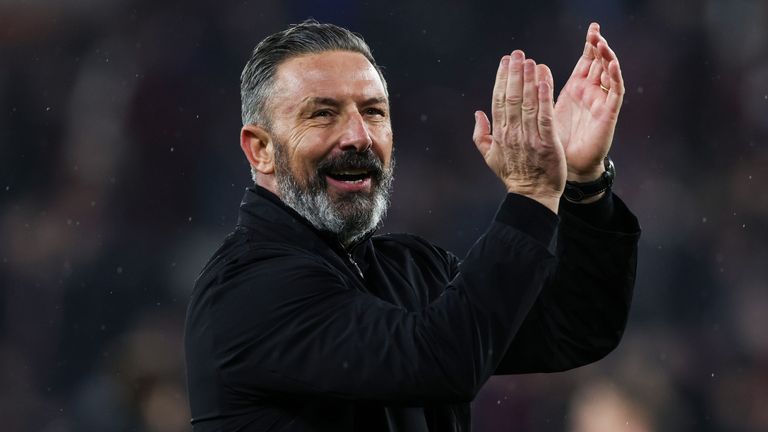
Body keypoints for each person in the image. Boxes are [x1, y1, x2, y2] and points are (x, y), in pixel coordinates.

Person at [184, 20, 640, 431]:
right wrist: (531, 196)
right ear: (260, 149)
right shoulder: (247, 289)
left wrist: (584, 186)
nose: (359, 136)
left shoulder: (410, 268)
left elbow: (575, 327)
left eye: (374, 112)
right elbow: (440, 363)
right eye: (322, 113)